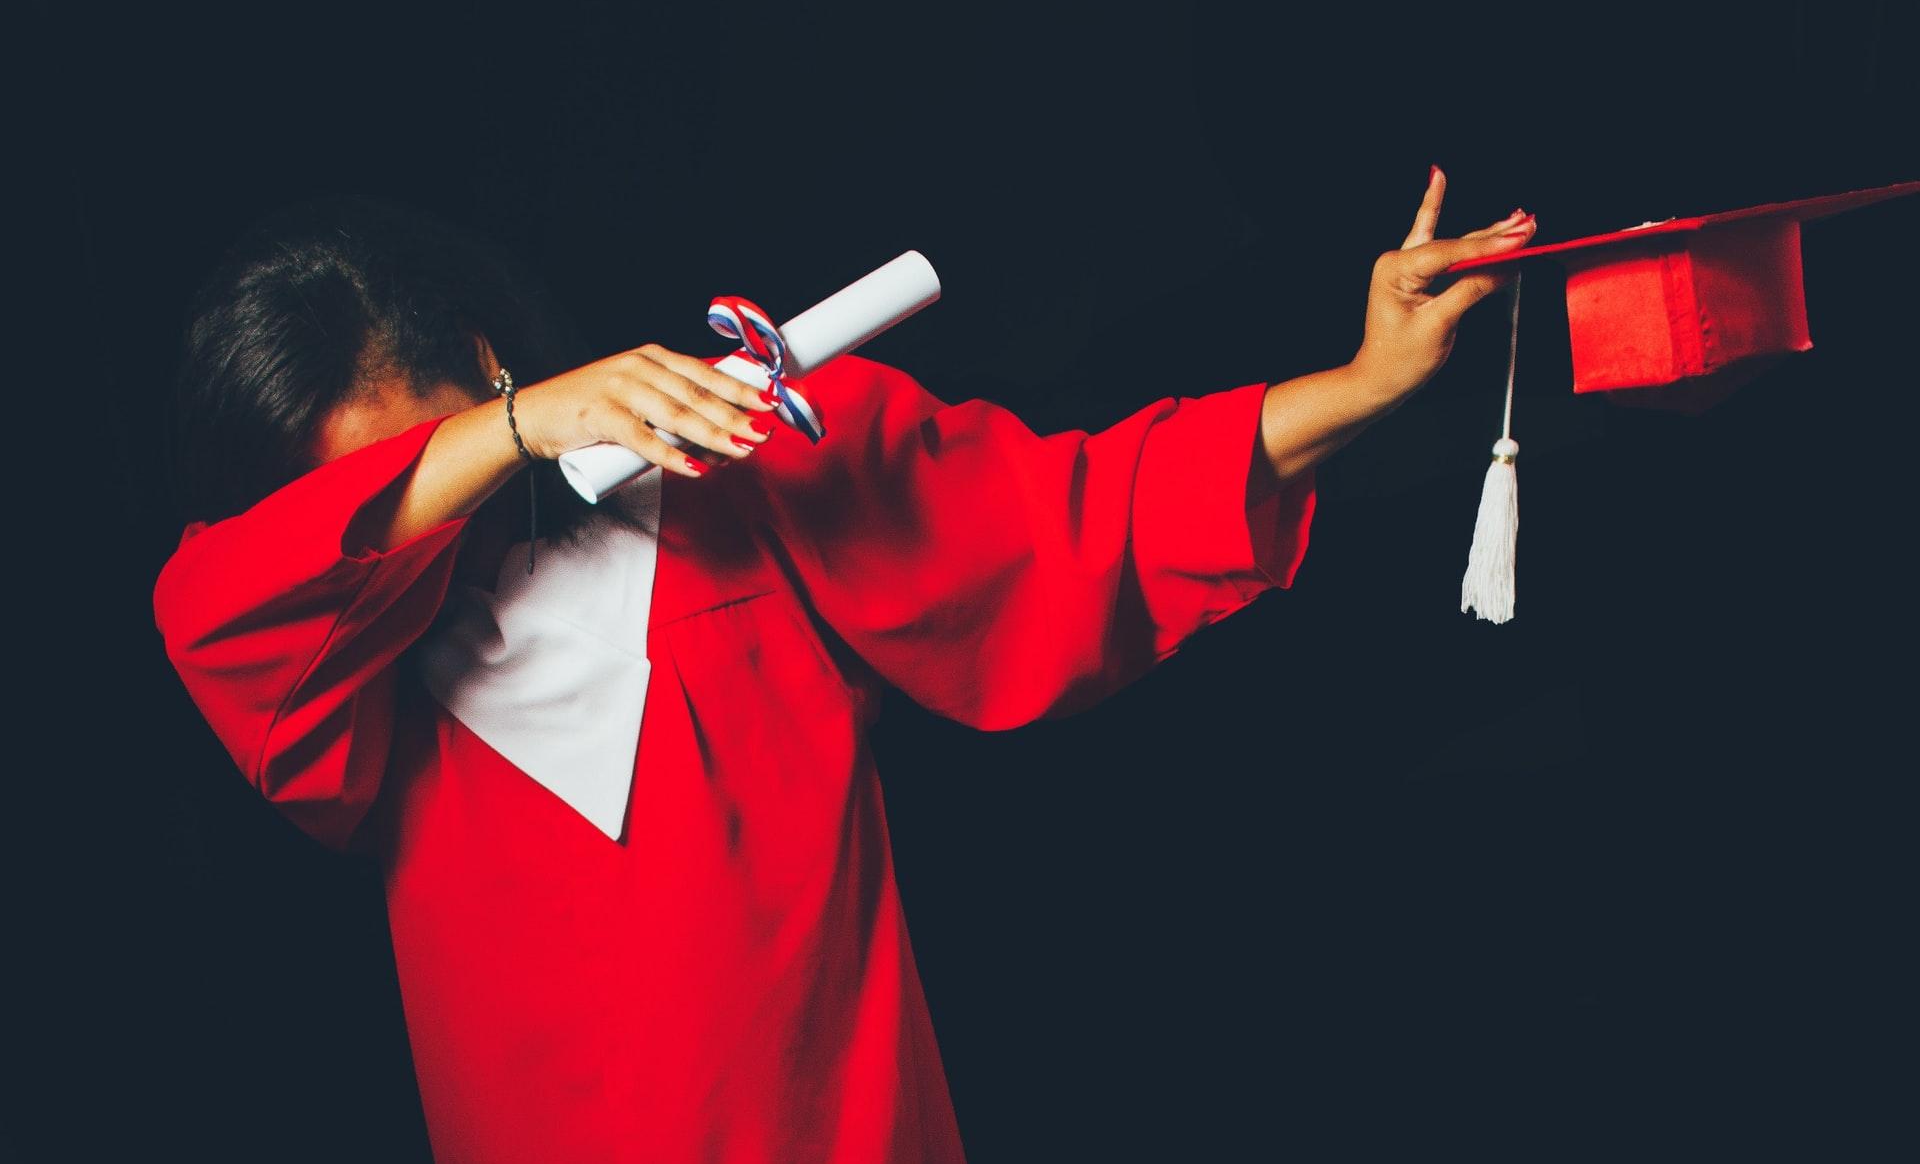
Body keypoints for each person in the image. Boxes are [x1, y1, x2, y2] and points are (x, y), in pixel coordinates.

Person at [152, 173, 1534, 1162]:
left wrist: (1366, 382)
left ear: (487, 361)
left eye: (428, 447)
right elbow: (221, 599)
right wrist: (502, 438)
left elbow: (1076, 519)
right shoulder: (326, 673)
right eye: (389, 493)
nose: (422, 520)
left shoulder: (750, 486)